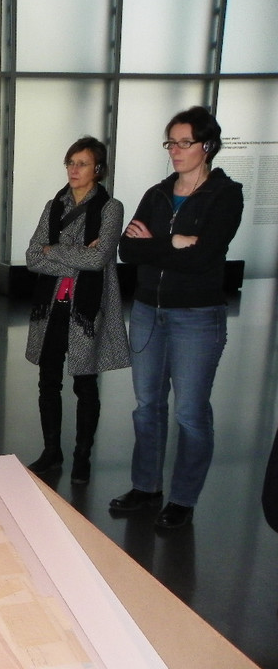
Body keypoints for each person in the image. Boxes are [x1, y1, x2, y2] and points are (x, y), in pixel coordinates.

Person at [110, 106, 243, 529]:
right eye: (171, 142)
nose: (175, 150)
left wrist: (158, 244)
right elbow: (127, 249)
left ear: (208, 146)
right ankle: (146, 487)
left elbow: (204, 257)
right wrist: (175, 241)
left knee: (190, 412)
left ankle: (183, 498)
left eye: (185, 142)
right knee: (146, 406)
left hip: (197, 317)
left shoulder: (225, 195)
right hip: (148, 311)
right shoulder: (158, 194)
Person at [25, 136, 130, 484]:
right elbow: (32, 257)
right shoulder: (53, 205)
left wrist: (53, 250)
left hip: (87, 309)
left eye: (82, 163)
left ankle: (82, 456)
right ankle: (51, 451)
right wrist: (77, 254)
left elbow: (99, 259)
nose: (73, 169)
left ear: (97, 169)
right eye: (70, 163)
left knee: (85, 383)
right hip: (53, 306)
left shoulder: (110, 208)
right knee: (48, 381)